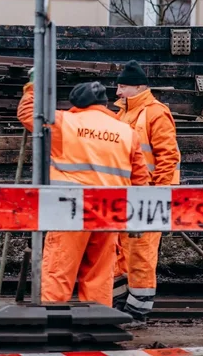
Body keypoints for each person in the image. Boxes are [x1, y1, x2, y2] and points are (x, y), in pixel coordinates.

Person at [17, 77, 150, 306]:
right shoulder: (126, 131)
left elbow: (28, 112)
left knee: (59, 271)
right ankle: (97, 326)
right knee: (99, 275)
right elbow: (140, 178)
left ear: (76, 104)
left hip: (71, 211)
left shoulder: (64, 122)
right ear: (104, 104)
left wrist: (33, 86)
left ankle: (53, 321)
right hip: (110, 213)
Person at [113, 60, 181, 326]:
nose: (117, 92)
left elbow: (168, 155)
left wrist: (160, 195)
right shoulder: (123, 113)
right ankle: (120, 308)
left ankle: (136, 313)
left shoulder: (155, 113)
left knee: (141, 254)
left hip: (148, 198)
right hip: (125, 197)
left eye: (122, 86)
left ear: (138, 87)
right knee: (119, 254)